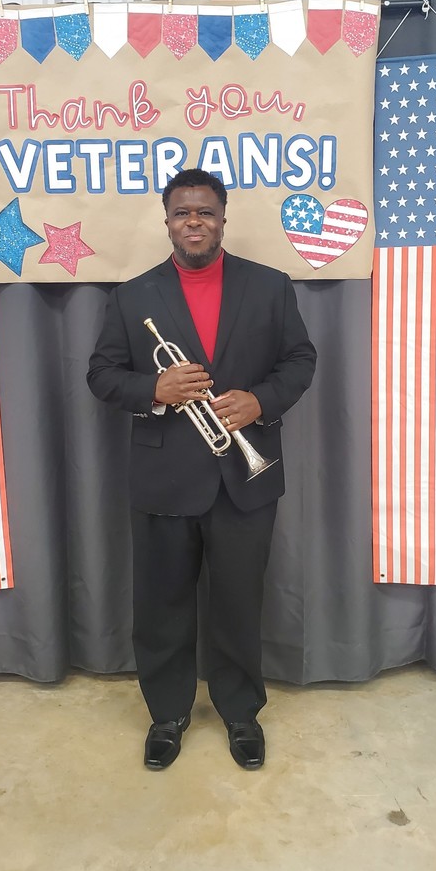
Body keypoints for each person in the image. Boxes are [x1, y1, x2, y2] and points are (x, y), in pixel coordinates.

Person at [87, 168, 316, 770]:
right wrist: (155, 388)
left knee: (239, 602)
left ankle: (241, 714)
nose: (194, 221)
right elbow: (102, 374)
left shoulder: (269, 286)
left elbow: (300, 358)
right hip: (165, 477)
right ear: (167, 220)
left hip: (246, 476)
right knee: (161, 605)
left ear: (222, 218)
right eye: (183, 212)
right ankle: (168, 714)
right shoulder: (133, 294)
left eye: (205, 211)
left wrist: (260, 401)